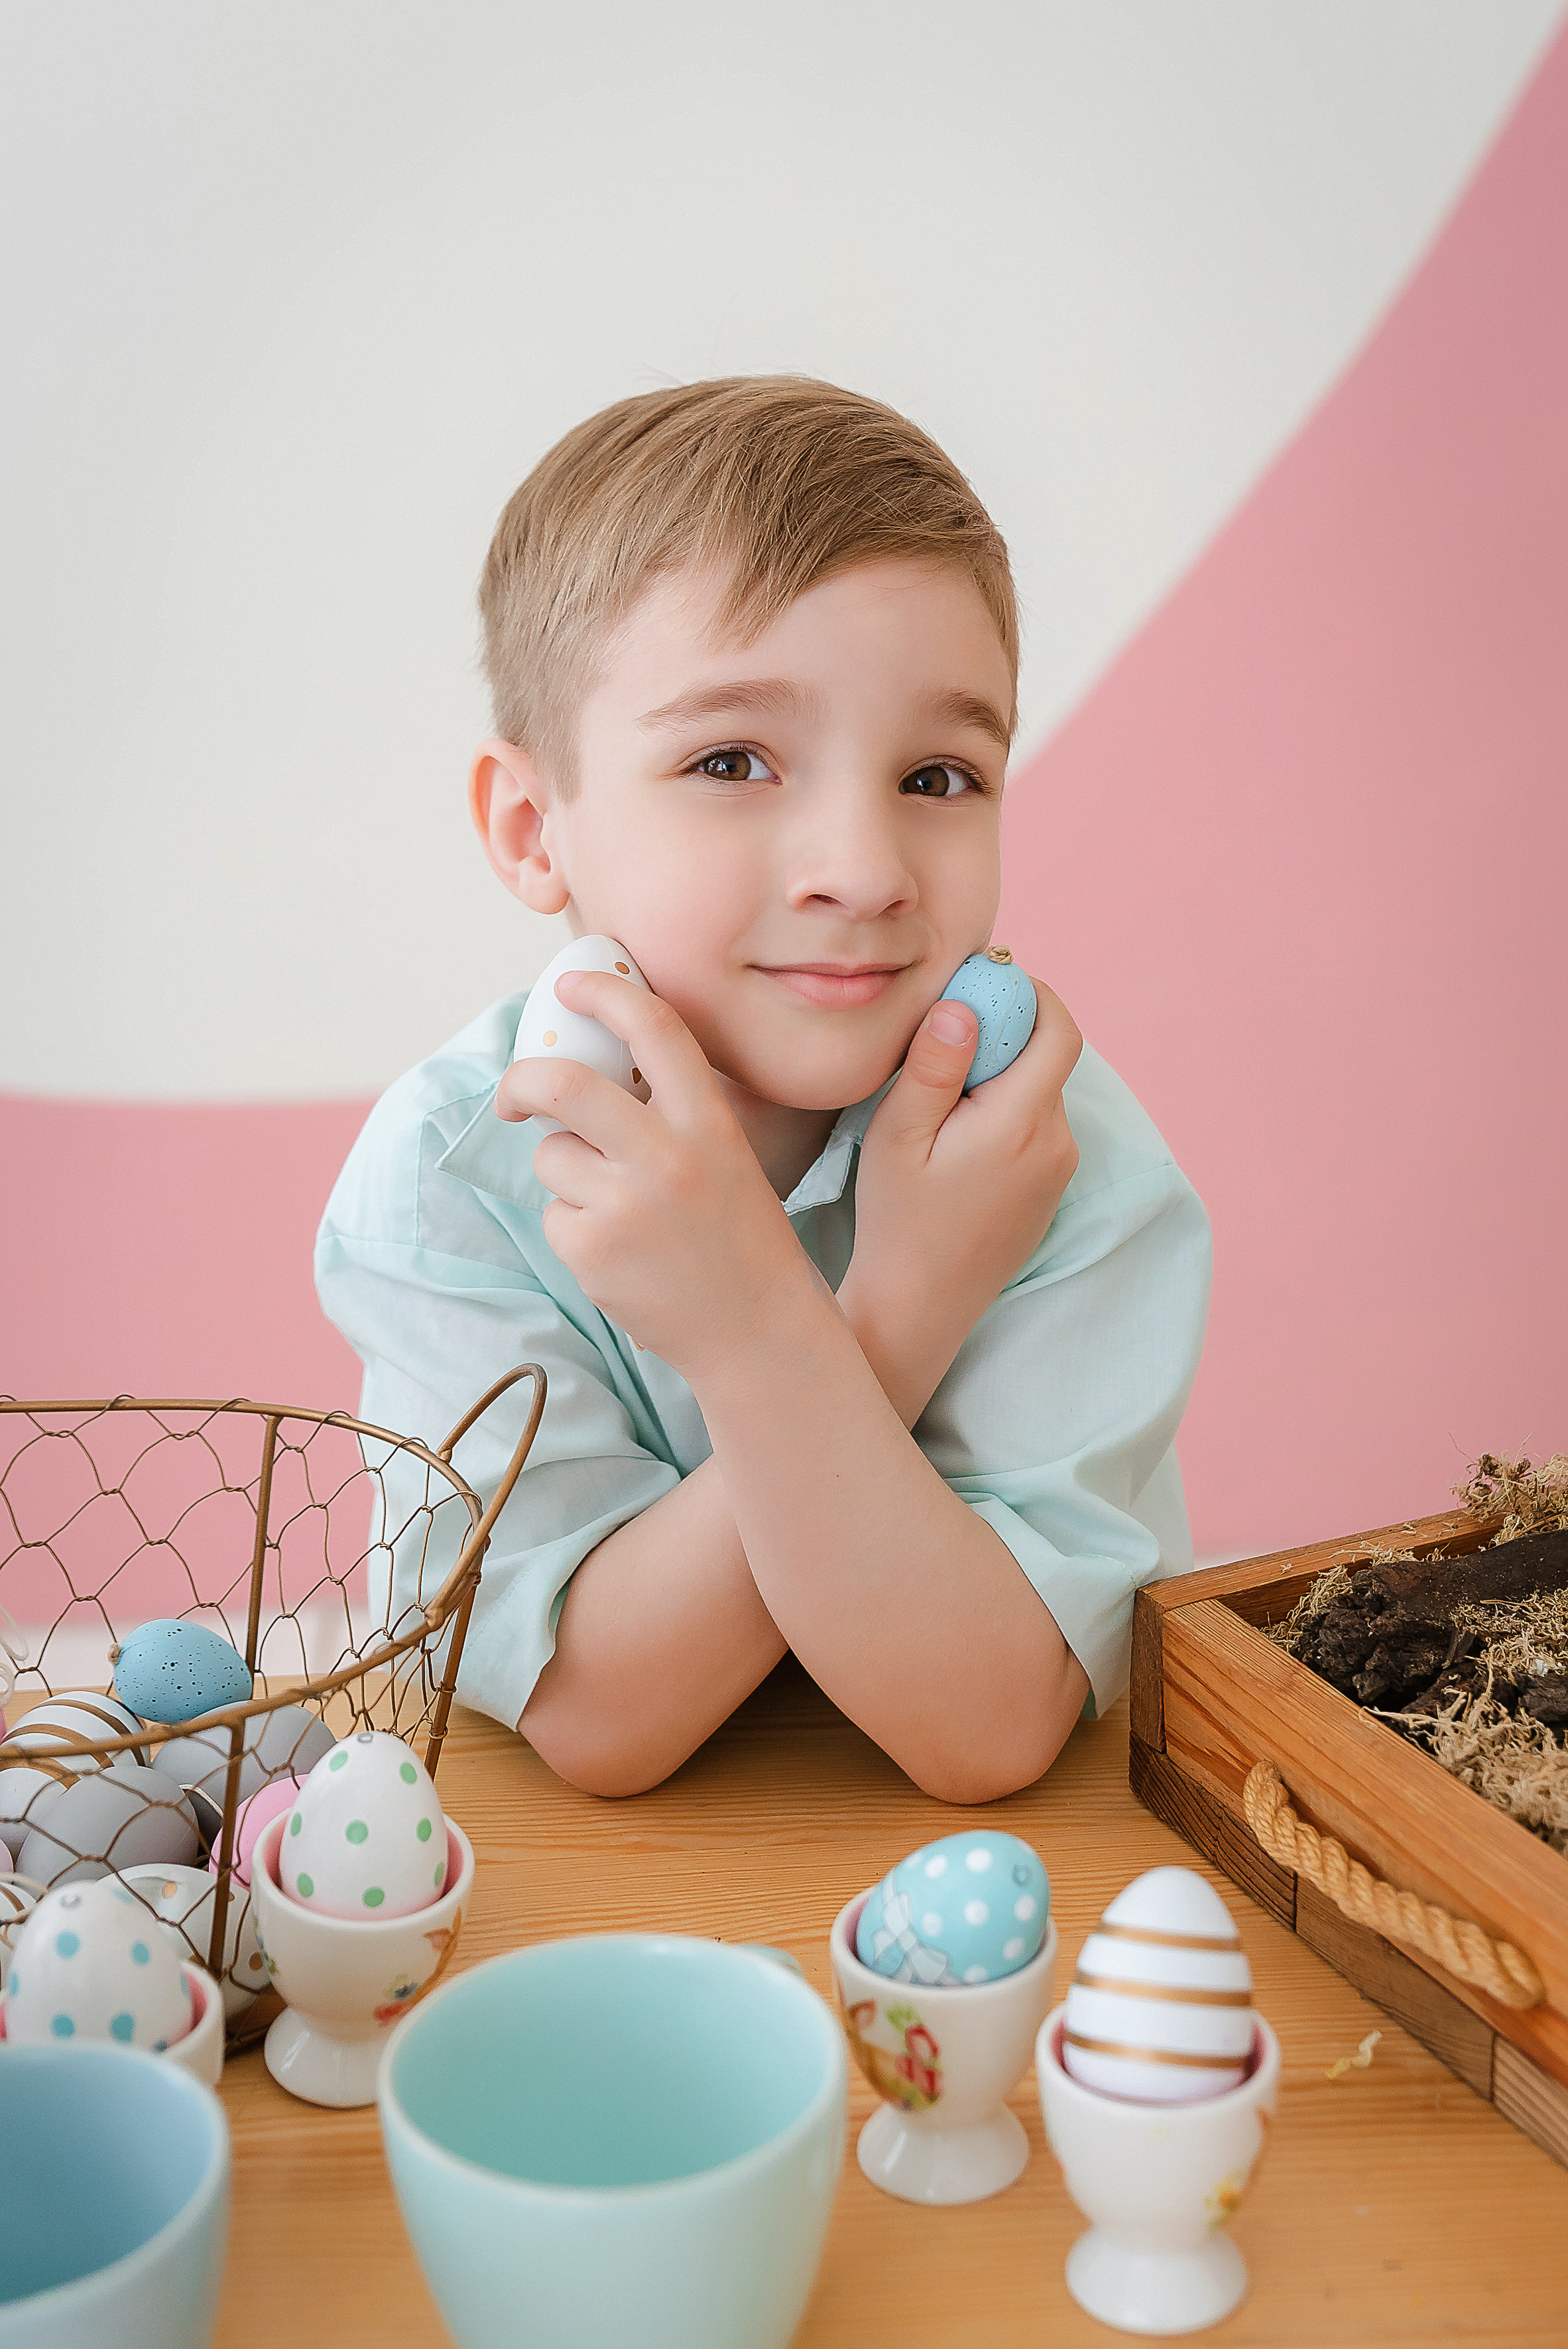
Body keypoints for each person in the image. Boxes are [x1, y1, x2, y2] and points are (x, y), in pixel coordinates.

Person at [316, 377, 1211, 1804]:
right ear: (535, 827)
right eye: (730, 759)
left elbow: (984, 1725)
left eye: (938, 772)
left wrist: (786, 1326)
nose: (861, 868)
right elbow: (603, 1718)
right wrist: (853, 1318)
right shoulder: (453, 1172)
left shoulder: (1053, 1158)